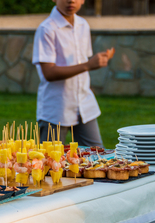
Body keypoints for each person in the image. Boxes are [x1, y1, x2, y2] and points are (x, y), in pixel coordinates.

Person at [33, 0, 110, 147]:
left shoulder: (83, 25)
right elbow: (48, 73)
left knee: (97, 158)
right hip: (56, 109)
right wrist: (89, 65)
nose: (71, 0)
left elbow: (80, 62)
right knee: (51, 165)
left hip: (85, 106)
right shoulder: (46, 29)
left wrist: (87, 77)